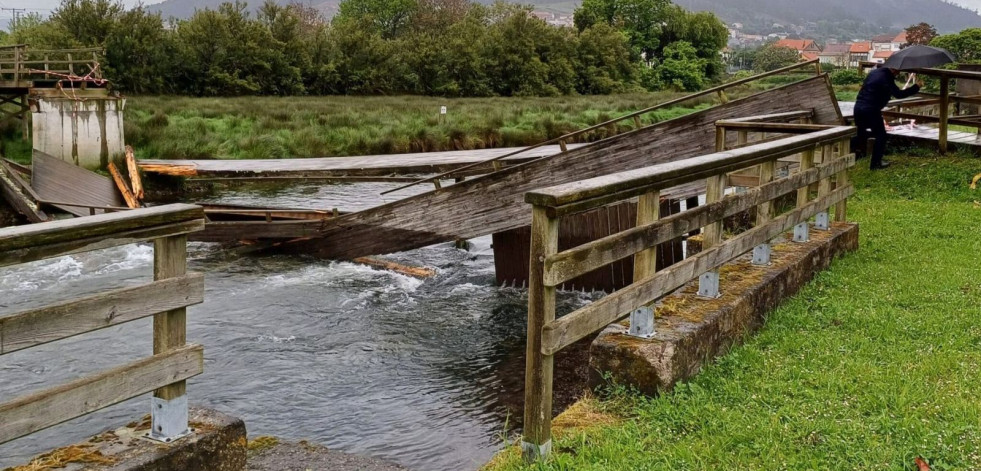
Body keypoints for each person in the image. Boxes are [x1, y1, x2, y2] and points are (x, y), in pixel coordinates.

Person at [852, 66, 924, 170]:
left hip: (858, 107)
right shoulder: (886, 77)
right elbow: (898, 94)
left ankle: (854, 156)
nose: (898, 74)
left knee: (861, 134)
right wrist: (916, 86)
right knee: (881, 135)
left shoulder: (875, 72)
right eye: (897, 72)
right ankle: (876, 164)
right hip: (871, 109)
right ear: (894, 69)